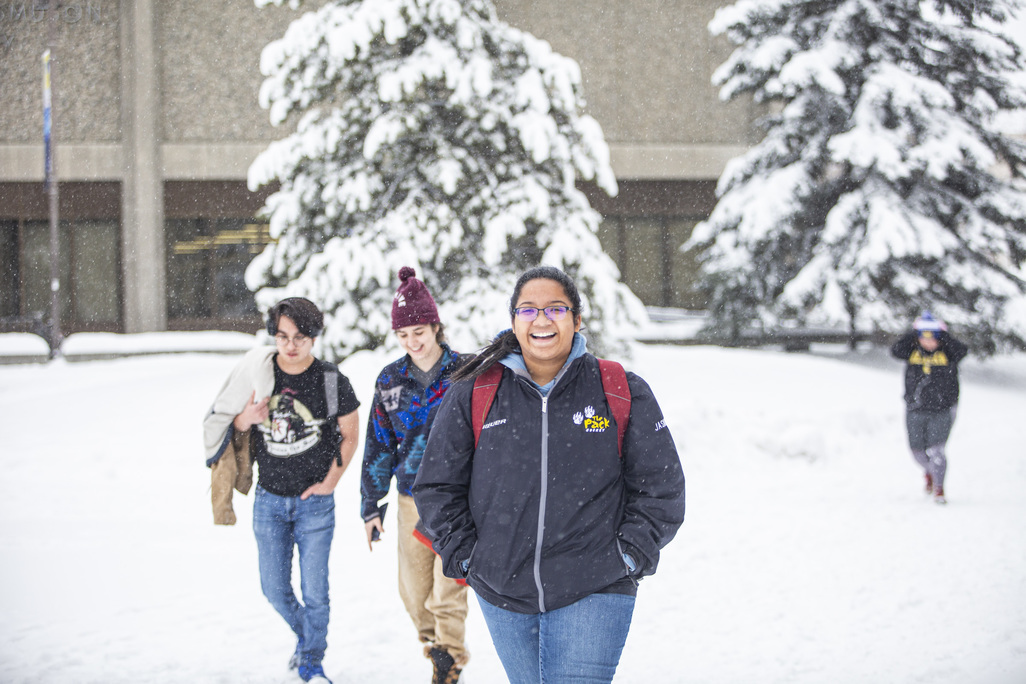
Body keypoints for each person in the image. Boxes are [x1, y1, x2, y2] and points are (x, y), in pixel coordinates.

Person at [413, 266, 686, 684]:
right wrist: (470, 557)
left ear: (576, 320)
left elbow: (661, 487)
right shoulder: (476, 391)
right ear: (514, 322)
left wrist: (627, 555)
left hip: (596, 585)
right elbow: (437, 485)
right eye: (528, 310)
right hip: (502, 589)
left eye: (556, 308)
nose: (542, 319)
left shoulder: (617, 388)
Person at [230, 297, 361, 683]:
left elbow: (351, 436)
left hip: (314, 505)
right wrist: (245, 418)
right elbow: (226, 420)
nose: (289, 345)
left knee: (316, 591)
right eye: (282, 336)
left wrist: (329, 483)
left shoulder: (331, 380)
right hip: (268, 500)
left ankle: (311, 662)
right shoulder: (259, 373)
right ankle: (308, 637)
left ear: (314, 337)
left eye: (299, 337)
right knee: (273, 588)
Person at [360, 267, 470, 684]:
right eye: (403, 335)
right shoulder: (390, 379)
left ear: (435, 326)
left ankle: (451, 661)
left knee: (449, 589)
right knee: (413, 593)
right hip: (410, 499)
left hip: (459, 500)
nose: (412, 341)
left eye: (419, 331)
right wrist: (371, 506)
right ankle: (437, 651)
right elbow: (378, 445)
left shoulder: (466, 372)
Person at [890, 311, 968, 504]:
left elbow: (962, 350)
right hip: (915, 409)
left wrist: (943, 333)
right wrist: (914, 330)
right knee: (917, 452)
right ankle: (930, 472)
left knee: (937, 450)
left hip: (942, 410)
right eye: (923, 337)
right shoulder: (911, 350)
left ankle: (939, 489)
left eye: (933, 337)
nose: (928, 342)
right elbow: (895, 350)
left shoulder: (949, 352)